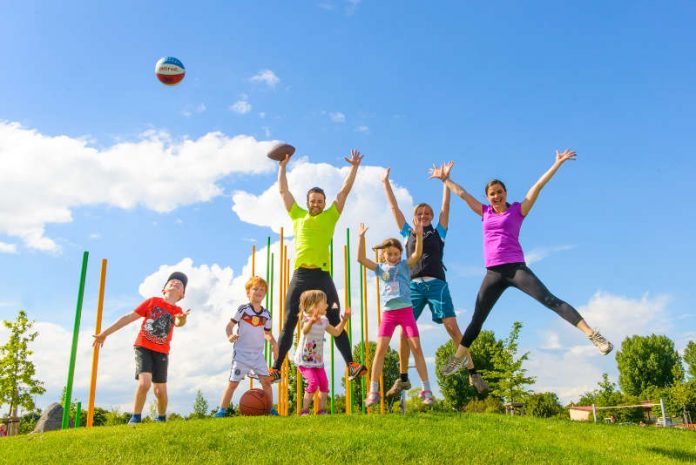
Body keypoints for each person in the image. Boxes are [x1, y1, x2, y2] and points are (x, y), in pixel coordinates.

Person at [429, 149, 613, 380]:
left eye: (499, 192)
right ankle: (458, 359)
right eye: (491, 194)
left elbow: (537, 187)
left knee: (549, 300)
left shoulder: (518, 210)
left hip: (516, 269)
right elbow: (463, 194)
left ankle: (592, 335)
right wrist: (446, 180)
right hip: (493, 273)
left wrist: (556, 164)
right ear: (487, 197)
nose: (495, 196)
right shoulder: (484, 212)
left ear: (505, 193)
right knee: (477, 319)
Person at [269, 149, 367, 382]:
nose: (316, 204)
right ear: (307, 203)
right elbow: (283, 191)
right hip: (301, 275)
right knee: (290, 319)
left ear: (324, 204)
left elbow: (343, 192)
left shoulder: (330, 216)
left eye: (319, 201)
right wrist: (282, 167)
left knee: (334, 319)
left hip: (322, 276)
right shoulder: (297, 215)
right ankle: (276, 368)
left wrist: (354, 168)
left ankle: (351, 365)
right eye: (312, 201)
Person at [381, 168, 480, 395]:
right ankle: (403, 377)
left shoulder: (439, 233)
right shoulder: (407, 233)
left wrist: (445, 181)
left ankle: (473, 373)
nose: (423, 216)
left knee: (452, 327)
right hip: (413, 287)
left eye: (427, 213)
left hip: (437, 284)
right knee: (404, 332)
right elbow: (394, 207)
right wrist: (385, 182)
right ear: (414, 216)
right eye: (420, 213)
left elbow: (446, 208)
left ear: (432, 217)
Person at [93, 271, 191, 424]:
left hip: (162, 352)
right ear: (163, 289)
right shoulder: (152, 302)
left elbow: (179, 323)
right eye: (172, 281)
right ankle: (136, 417)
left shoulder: (177, 311)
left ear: (182, 295)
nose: (175, 282)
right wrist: (105, 333)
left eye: (180, 284)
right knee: (144, 382)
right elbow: (128, 317)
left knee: (160, 391)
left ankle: (161, 418)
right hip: (143, 347)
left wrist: (182, 318)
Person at [357, 221, 435, 407]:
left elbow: (416, 254)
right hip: (389, 314)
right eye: (389, 254)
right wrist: (361, 237)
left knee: (416, 347)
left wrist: (417, 235)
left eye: (396, 253)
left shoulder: (405, 266)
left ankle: (427, 390)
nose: (392, 256)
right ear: (383, 255)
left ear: (400, 254)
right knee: (380, 350)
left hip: (406, 311)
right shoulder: (379, 268)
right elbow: (361, 259)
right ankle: (373, 391)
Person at [214, 276, 279, 417]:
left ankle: (270, 409)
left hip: (257, 356)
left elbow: (267, 333)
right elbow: (229, 326)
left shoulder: (267, 314)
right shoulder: (243, 309)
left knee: (266, 383)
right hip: (241, 354)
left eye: (262, 289)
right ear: (248, 292)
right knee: (232, 384)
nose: (259, 291)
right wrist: (230, 335)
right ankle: (221, 411)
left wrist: (274, 344)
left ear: (265, 294)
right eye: (255, 288)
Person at [294, 290, 350, 416]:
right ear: (314, 305)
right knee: (313, 382)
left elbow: (336, 332)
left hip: (317, 361)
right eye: (324, 302)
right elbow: (305, 330)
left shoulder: (324, 320)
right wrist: (312, 321)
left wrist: (344, 320)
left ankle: (321, 411)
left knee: (324, 384)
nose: (327, 305)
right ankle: (304, 411)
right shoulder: (305, 318)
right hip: (304, 360)